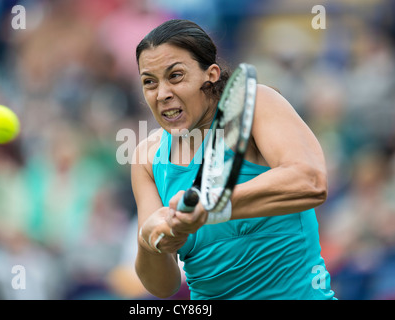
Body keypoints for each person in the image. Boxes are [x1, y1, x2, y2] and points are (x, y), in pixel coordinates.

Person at [131, 19, 335, 300]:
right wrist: (150, 242)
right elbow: (163, 286)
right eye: (149, 82)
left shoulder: (256, 105)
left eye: (175, 76)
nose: (162, 93)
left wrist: (213, 206)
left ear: (211, 74)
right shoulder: (146, 157)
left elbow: (311, 181)